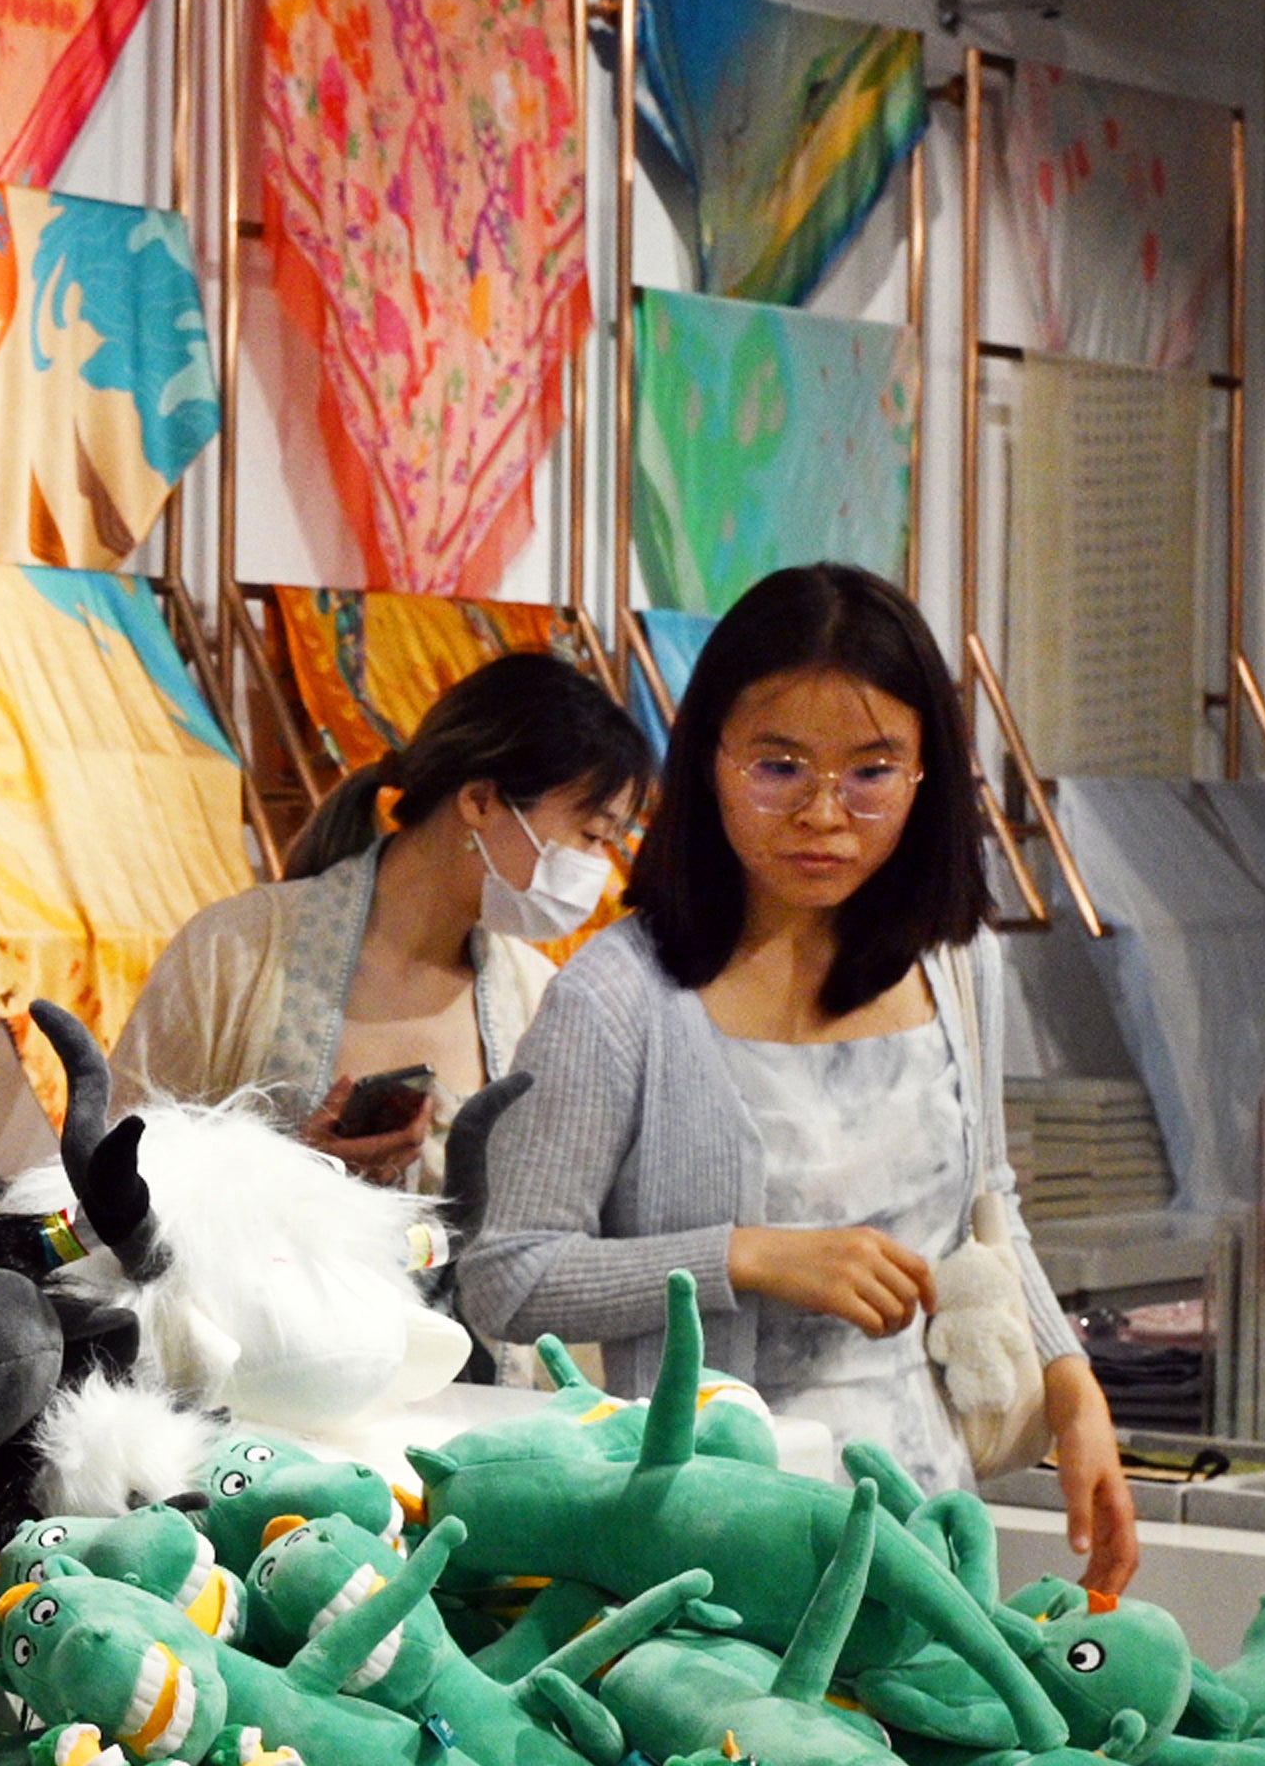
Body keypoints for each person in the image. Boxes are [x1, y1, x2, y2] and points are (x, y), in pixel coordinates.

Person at [461, 564, 1138, 1594]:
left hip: (923, 1527)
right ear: (710, 764)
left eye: (871, 772)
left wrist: (1075, 1392)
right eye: (779, 767)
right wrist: (747, 1256)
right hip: (699, 1551)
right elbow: (508, 1276)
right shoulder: (618, 997)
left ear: (925, 776)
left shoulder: (956, 963)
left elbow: (988, 1211)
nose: (825, 813)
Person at [112, 650, 650, 1191]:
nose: (599, 872)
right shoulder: (237, 951)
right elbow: (108, 1176)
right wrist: (291, 1182)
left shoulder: (536, 996)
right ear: (480, 801)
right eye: (592, 837)